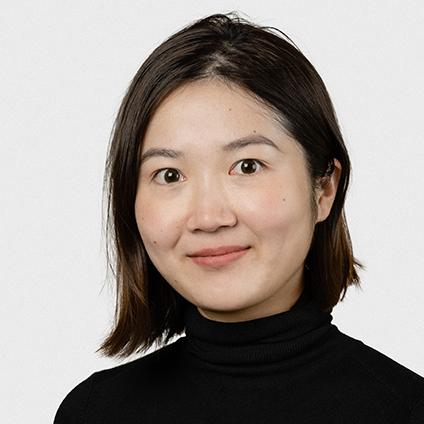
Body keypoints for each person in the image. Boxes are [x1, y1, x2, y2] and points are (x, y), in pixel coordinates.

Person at [54, 12, 424, 423]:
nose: (208, 217)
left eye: (247, 166)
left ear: (323, 189)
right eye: (169, 175)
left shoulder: (404, 410)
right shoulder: (93, 412)